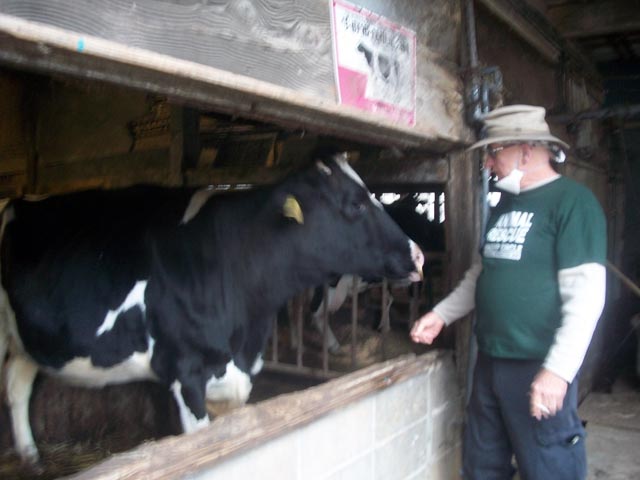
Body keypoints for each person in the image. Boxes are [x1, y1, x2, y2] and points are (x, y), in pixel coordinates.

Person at [411, 105, 607, 479]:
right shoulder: (504, 206)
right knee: (482, 463)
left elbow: (586, 298)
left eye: (493, 152)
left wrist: (558, 372)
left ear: (527, 150)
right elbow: (480, 275)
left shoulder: (573, 204)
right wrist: (441, 314)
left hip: (538, 365)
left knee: (549, 466)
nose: (487, 164)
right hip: (491, 362)